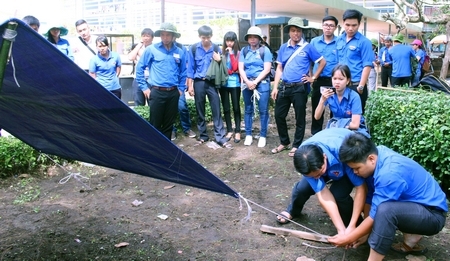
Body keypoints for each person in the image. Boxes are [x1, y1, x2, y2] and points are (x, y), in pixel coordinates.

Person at [328, 132, 447, 260]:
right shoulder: (378, 157)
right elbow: (371, 199)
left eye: (357, 168)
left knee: (386, 211)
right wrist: (364, 232)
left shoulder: (388, 174)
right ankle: (411, 237)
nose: (354, 172)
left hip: (433, 215)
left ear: (371, 159)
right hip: (416, 206)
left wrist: (349, 238)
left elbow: (376, 214)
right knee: (382, 209)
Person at [276, 128, 366, 237]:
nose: (318, 178)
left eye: (320, 173)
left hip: (344, 164)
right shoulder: (304, 158)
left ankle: (358, 226)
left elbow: (361, 188)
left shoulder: (344, 151)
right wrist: (340, 229)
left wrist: (351, 226)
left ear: (324, 157)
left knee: (338, 195)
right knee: (302, 189)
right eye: (313, 177)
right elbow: (323, 194)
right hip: (323, 165)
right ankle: (293, 211)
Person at [271, 17, 326, 156]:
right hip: (284, 87)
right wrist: (275, 87)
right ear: (289, 31)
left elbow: (322, 62)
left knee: (299, 118)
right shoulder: (284, 47)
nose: (296, 33)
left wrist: (313, 78)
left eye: (299, 31)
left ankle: (297, 145)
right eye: (293, 30)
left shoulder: (307, 47)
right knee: (279, 115)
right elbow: (279, 68)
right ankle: (284, 142)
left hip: (300, 88)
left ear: (302, 32)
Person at [135, 22, 187, 140]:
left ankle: (166, 152)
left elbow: (183, 72)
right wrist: (144, 88)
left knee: (169, 124)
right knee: (155, 124)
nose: (165, 38)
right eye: (162, 35)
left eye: (168, 35)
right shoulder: (152, 50)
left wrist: (181, 89)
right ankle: (155, 151)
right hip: (157, 92)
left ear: (173, 36)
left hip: (173, 92)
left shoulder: (179, 52)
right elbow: (140, 68)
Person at [187, 25, 232, 148]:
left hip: (212, 83)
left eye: (208, 37)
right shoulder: (194, 48)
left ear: (211, 36)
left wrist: (219, 60)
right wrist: (190, 86)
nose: (205, 40)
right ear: (199, 36)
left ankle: (220, 137)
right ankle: (203, 136)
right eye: (203, 37)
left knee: (216, 109)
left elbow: (223, 65)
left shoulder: (216, 48)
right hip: (198, 82)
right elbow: (190, 68)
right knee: (199, 109)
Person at [238, 26, 272, 147]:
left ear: (259, 39)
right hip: (247, 83)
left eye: (255, 37)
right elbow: (241, 68)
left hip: (261, 83)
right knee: (248, 109)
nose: (252, 40)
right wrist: (247, 81)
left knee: (263, 110)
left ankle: (262, 135)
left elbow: (267, 69)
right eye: (250, 37)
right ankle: (248, 134)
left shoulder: (265, 51)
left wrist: (255, 82)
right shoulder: (244, 51)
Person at [336, 9, 374, 114]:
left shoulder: (364, 42)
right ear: (343, 22)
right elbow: (337, 62)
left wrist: (361, 86)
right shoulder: (339, 40)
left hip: (356, 85)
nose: (350, 28)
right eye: (347, 25)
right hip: (341, 85)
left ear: (359, 24)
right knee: (339, 114)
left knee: (355, 118)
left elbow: (367, 65)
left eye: (354, 25)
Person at [314, 64, 368, 137]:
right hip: (336, 127)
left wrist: (338, 124)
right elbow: (317, 117)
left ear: (347, 81)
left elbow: (355, 125)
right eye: (334, 78)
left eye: (341, 79)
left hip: (352, 130)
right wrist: (322, 100)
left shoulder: (354, 97)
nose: (337, 82)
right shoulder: (328, 94)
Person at [309, 15, 339, 135]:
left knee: (335, 108)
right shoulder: (314, 42)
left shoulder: (339, 42)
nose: (328, 28)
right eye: (326, 25)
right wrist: (312, 77)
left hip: (334, 81)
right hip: (319, 80)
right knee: (317, 107)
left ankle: (333, 133)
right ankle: (316, 134)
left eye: (331, 25)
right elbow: (309, 61)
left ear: (335, 28)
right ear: (322, 26)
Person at [171, 36, 196, 140]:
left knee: (182, 107)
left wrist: (186, 83)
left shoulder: (181, 48)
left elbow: (186, 66)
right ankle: (172, 130)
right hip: (167, 84)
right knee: (169, 109)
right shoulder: (160, 48)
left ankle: (187, 128)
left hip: (179, 84)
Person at [220, 31, 242, 143]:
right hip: (224, 84)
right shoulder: (221, 52)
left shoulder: (238, 52)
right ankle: (229, 130)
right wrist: (231, 71)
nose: (229, 43)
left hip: (235, 84)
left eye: (231, 40)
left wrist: (232, 54)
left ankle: (237, 131)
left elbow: (235, 67)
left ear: (235, 41)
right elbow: (222, 68)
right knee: (226, 108)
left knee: (236, 107)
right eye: (227, 40)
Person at [128, 28, 154, 106]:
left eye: (148, 36)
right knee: (138, 104)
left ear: (152, 38)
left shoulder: (154, 48)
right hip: (138, 79)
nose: (145, 38)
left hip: (151, 79)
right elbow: (131, 57)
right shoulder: (138, 47)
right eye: (143, 36)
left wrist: (140, 53)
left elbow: (146, 59)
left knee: (152, 103)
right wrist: (139, 46)